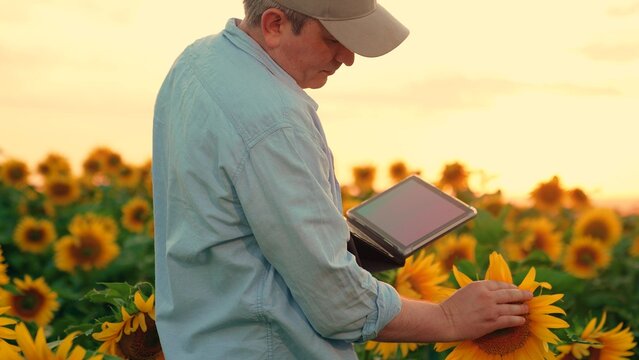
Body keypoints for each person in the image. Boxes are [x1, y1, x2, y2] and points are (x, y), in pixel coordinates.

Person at [152, 0, 533, 358]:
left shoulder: (199, 60)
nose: (348, 58)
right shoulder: (276, 122)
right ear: (275, 24)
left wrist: (324, 237)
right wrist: (448, 318)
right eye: (335, 39)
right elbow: (338, 304)